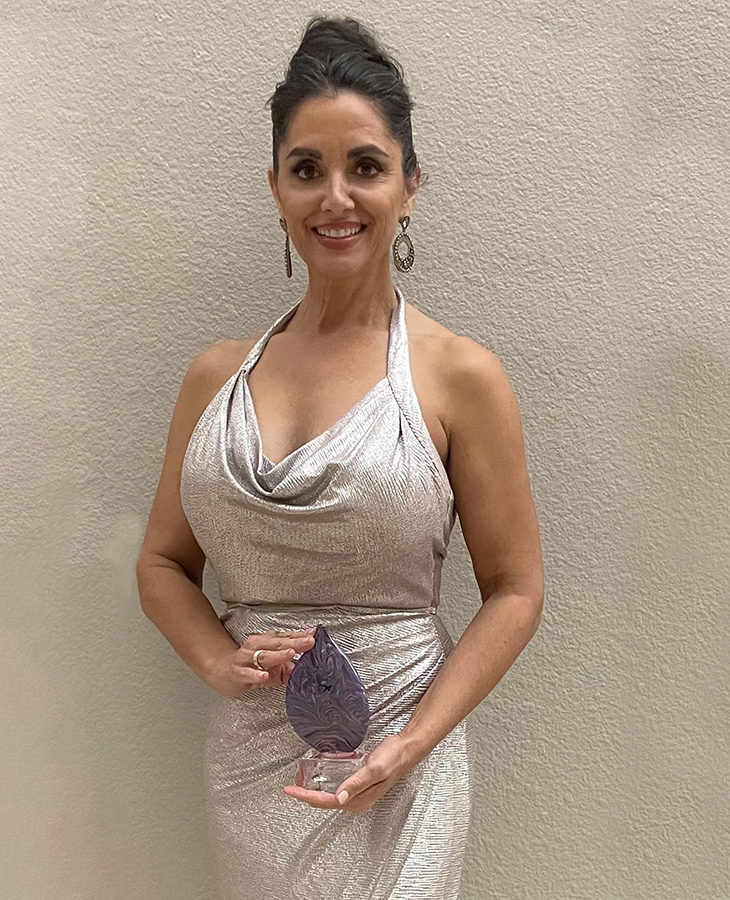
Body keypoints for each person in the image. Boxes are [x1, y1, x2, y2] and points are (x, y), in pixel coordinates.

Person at [136, 14, 544, 900]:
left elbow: (516, 590)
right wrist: (215, 658)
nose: (336, 197)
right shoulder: (215, 376)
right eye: (306, 169)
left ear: (410, 184)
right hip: (252, 762)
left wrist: (412, 742)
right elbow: (164, 562)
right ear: (275, 187)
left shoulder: (458, 376)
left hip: (402, 750)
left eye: (365, 166)